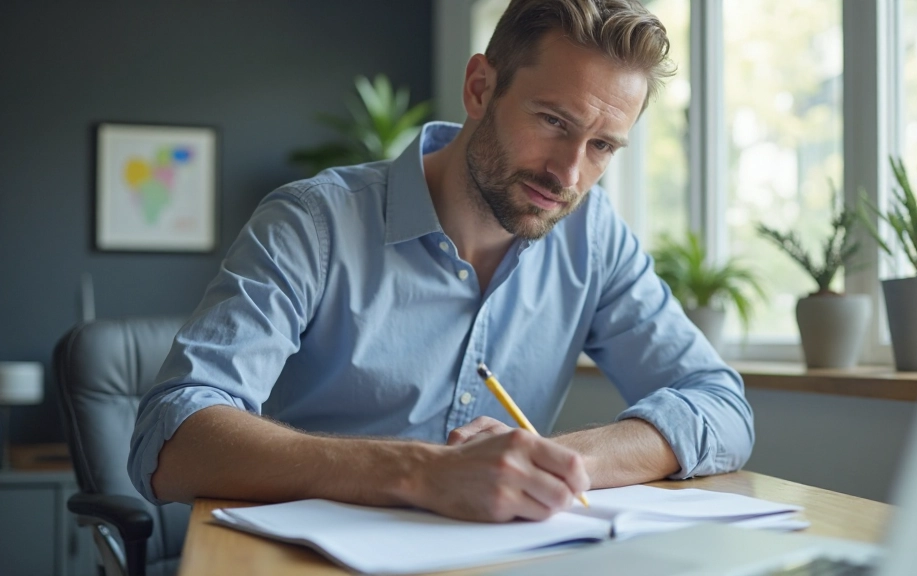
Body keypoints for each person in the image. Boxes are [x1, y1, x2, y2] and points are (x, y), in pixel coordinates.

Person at [128, 0, 754, 523]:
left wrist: (556, 465)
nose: (569, 173)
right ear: (480, 88)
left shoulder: (593, 237)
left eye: (602, 147)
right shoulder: (313, 223)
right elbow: (172, 438)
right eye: (552, 121)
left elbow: (721, 405)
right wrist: (422, 472)